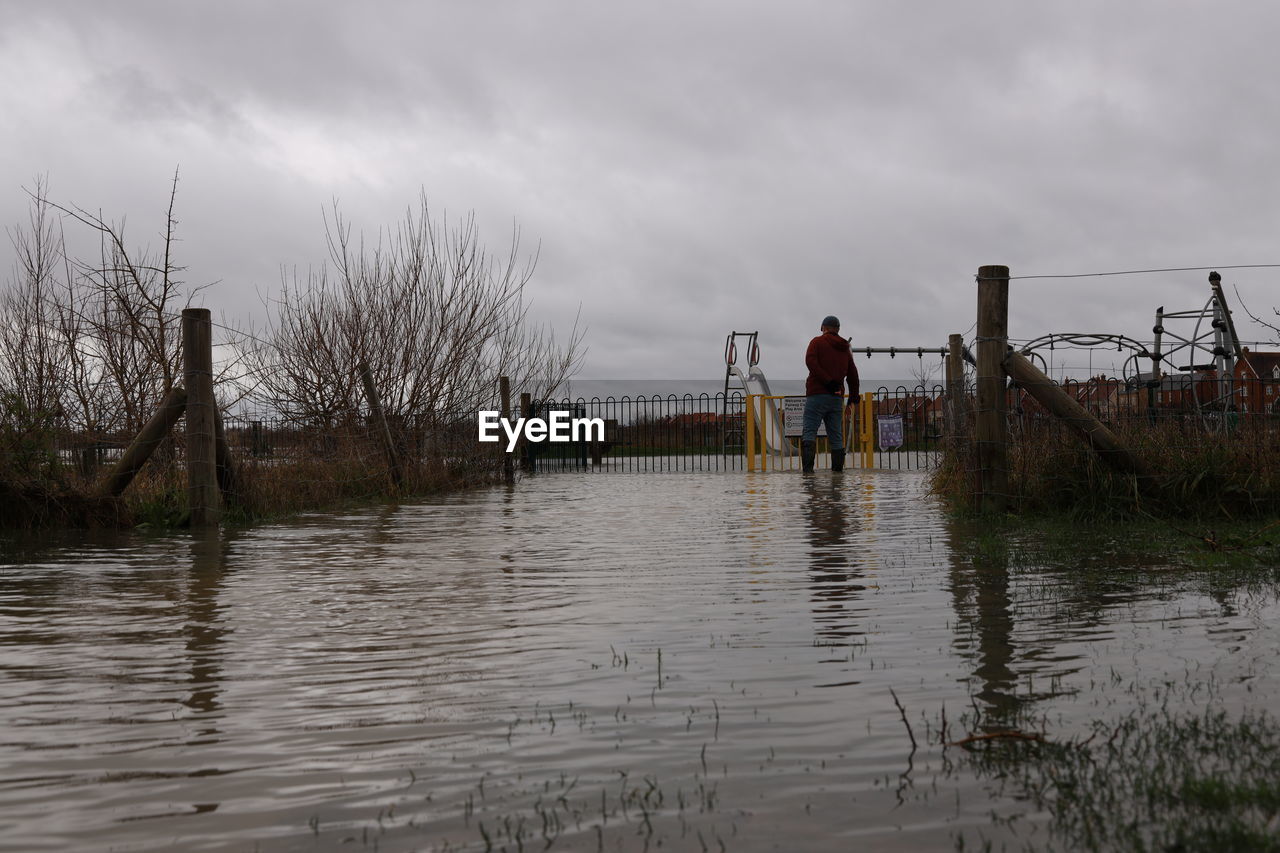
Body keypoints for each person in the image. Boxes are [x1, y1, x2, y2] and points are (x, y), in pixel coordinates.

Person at [802, 315, 859, 473]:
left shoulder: (816, 342)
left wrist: (827, 381)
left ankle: (807, 474)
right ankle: (837, 474)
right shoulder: (845, 348)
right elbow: (853, 374)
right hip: (836, 398)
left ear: (823, 328)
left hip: (817, 395)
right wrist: (853, 398)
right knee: (836, 435)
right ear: (838, 329)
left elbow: (810, 362)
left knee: (809, 431)